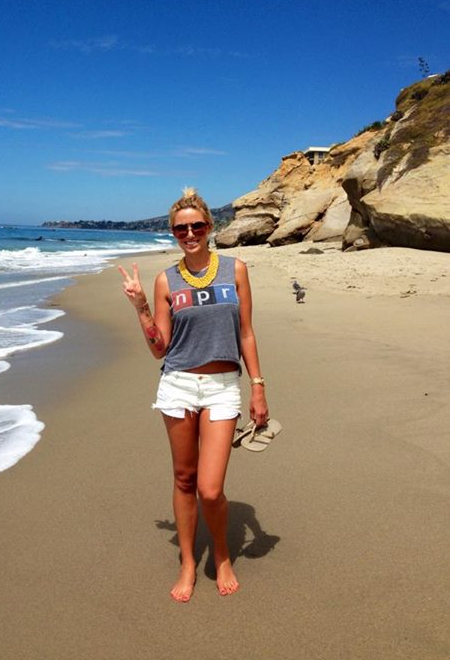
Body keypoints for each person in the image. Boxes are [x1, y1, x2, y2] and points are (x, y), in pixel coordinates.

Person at [118, 188, 269, 602]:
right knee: (184, 479)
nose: (190, 234)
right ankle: (187, 562)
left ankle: (221, 554)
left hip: (223, 387)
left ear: (210, 226)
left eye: (197, 226)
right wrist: (141, 307)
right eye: (181, 229)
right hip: (178, 385)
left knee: (210, 489)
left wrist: (257, 386)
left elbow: (246, 333)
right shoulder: (165, 280)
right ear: (172, 232)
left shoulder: (236, 270)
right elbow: (159, 349)